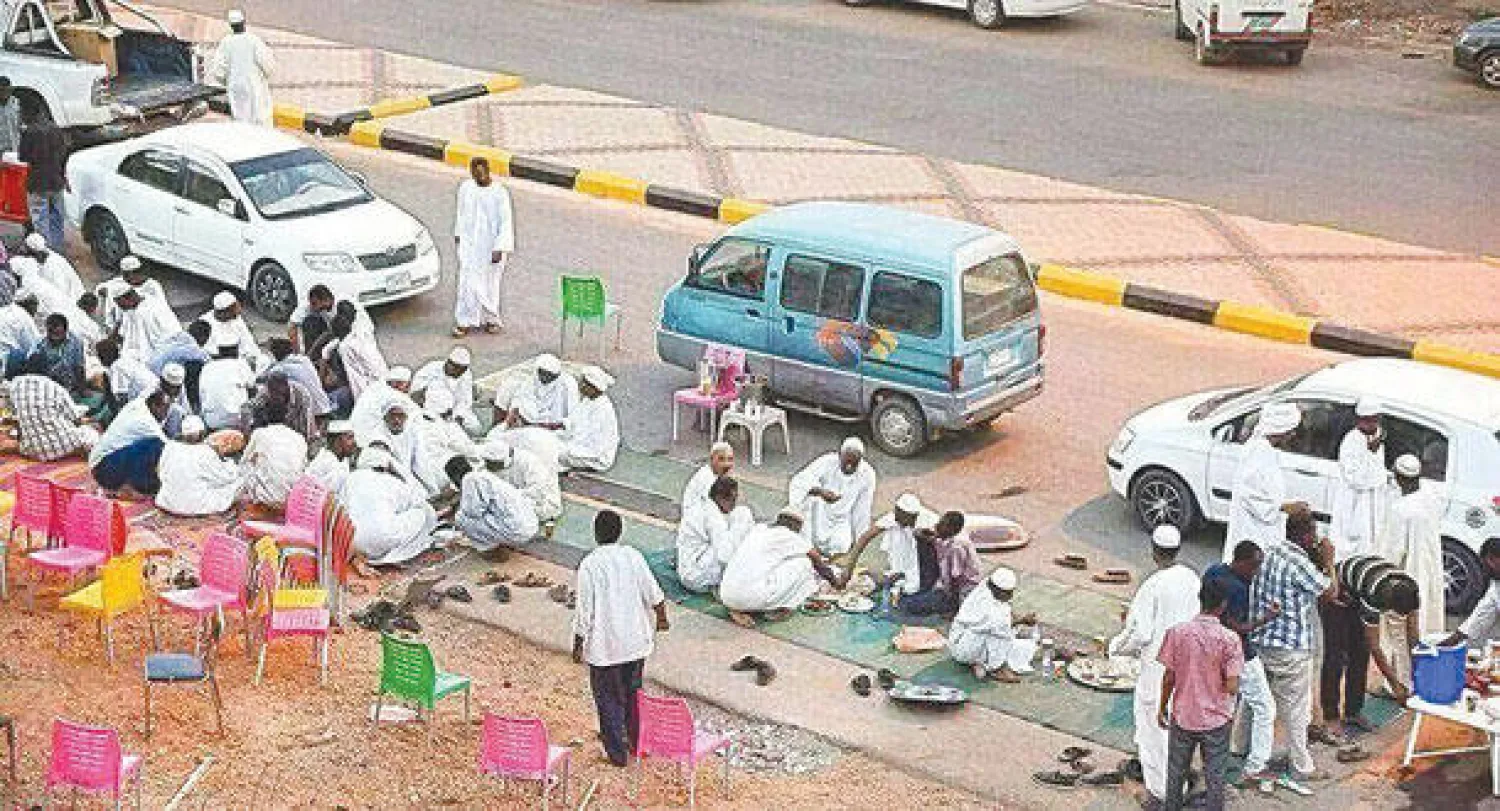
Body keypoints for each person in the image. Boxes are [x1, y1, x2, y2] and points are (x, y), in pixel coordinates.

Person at [1109, 525, 1201, 807]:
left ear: (1154, 551)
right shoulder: (1191, 578)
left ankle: (1160, 793)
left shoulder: (1153, 585)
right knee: (1179, 727)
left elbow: (1141, 633)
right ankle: (1179, 779)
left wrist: (1116, 646)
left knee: (1154, 729)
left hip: (1158, 668)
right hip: (1188, 663)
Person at [571, 509, 669, 767]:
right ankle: (636, 742)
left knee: (608, 699)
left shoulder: (590, 565)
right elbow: (654, 593)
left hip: (604, 648)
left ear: (596, 534)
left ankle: (616, 753)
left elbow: (584, 611)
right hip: (635, 643)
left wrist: (578, 643)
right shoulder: (633, 556)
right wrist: (662, 618)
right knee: (633, 694)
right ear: (620, 532)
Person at [1249, 504, 1335, 784]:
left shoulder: (1269, 552)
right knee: (1297, 710)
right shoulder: (1300, 564)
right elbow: (1331, 592)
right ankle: (1302, 766)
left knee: (1254, 701)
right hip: (1291, 648)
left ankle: (1240, 749)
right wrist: (1329, 560)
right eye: (1314, 533)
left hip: (1261, 641)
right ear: (1306, 536)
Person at [1158, 580, 1244, 811]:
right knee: (1215, 776)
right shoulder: (1230, 640)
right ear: (1223, 605)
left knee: (1176, 772)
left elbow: (1169, 677)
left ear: (1200, 599)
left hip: (1183, 715)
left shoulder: (1177, 633)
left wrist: (1162, 706)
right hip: (1216, 719)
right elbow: (1232, 686)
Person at [1203, 541, 1278, 786]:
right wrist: (1266, 618)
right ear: (1241, 562)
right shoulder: (1237, 588)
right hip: (1239, 654)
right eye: (1254, 566)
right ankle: (1257, 765)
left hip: (1212, 650)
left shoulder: (1214, 571)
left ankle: (1218, 757)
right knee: (1265, 707)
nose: (1256, 572)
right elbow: (1237, 627)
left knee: (1223, 706)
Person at [1322, 552, 1420, 735]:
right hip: (1337, 592)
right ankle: (1331, 716)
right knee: (1336, 657)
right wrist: (1395, 685)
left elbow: (1413, 634)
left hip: (1359, 589)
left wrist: (1417, 673)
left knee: (1360, 654)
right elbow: (1375, 645)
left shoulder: (1411, 589)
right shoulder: (1377, 595)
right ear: (1388, 605)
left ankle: (1353, 712)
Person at [719, 509, 839, 626]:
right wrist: (835, 582)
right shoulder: (788, 535)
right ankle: (785, 606)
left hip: (726, 595)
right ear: (796, 526)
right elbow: (816, 560)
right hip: (749, 597)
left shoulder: (758, 530)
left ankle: (736, 608)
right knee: (805, 563)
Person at [1224, 402, 1302, 562]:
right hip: (1253, 531)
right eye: (1290, 431)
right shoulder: (1258, 453)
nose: (1293, 435)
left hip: (1262, 528)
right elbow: (1251, 497)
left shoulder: (1265, 450)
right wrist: (1285, 507)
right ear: (1280, 431)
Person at [1379, 454, 1445, 639]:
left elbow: (1392, 552)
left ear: (1399, 478)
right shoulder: (1431, 497)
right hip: (1429, 564)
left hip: (1409, 570)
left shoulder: (1400, 509)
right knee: (1428, 607)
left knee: (1405, 622)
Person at [342, 446, 438, 566]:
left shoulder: (350, 480)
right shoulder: (389, 480)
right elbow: (418, 501)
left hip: (356, 544)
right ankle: (404, 553)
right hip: (383, 541)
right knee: (422, 512)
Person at [452, 156, 513, 335]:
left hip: (491, 247)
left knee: (490, 284)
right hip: (470, 245)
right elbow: (461, 213)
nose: (479, 176)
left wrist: (500, 247)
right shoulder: (466, 188)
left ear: (487, 171)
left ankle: (491, 319)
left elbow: (506, 222)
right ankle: (464, 321)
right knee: (467, 283)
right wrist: (458, 234)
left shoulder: (500, 193)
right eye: (475, 173)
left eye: (481, 173)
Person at [838, 492, 937, 601]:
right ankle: (899, 575)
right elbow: (865, 538)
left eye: (900, 517)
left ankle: (915, 583)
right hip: (904, 563)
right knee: (896, 531)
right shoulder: (894, 517)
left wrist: (927, 538)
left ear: (913, 516)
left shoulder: (930, 521)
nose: (896, 519)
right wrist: (848, 569)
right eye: (896, 514)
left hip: (925, 563)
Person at [787, 436, 877, 556]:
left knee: (842, 545)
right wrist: (820, 492)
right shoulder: (827, 461)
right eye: (846, 462)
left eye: (853, 464)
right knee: (805, 537)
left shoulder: (867, 474)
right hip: (818, 512)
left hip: (841, 519)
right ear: (840, 456)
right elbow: (799, 482)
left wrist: (859, 541)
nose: (849, 467)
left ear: (860, 460)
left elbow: (862, 509)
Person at [948, 567, 1039, 683]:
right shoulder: (984, 602)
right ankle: (996, 669)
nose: (1011, 595)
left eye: (1011, 592)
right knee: (1000, 634)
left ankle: (980, 663)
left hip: (975, 642)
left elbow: (1007, 611)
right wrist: (1022, 621)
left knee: (1021, 648)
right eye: (1008, 593)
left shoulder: (991, 591)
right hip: (963, 647)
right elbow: (1000, 626)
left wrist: (1020, 620)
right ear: (995, 589)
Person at [1329, 398, 1390, 562]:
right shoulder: (1351, 442)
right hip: (1354, 503)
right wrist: (1370, 453)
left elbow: (1378, 470)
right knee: (1350, 546)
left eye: (1375, 420)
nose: (1373, 424)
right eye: (1368, 420)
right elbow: (1355, 478)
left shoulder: (1376, 436)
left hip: (1374, 501)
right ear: (1360, 420)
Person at [675, 475, 754, 593]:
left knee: (738, 517)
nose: (734, 504)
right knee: (743, 514)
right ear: (720, 498)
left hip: (688, 571)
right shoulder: (714, 517)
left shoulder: (702, 506)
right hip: (698, 577)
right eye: (732, 500)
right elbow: (724, 556)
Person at [448, 451, 538, 552]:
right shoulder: (483, 475)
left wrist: (457, 507)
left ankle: (487, 546)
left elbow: (473, 512)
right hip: (531, 525)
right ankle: (494, 539)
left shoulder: (469, 479)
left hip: (518, 532)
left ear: (455, 476)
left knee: (461, 518)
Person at [155, 415, 242, 516]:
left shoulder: (170, 447)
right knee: (239, 482)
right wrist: (229, 462)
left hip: (167, 503)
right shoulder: (205, 451)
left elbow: (161, 474)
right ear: (202, 433)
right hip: (195, 506)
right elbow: (226, 478)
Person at [89, 390, 169, 495]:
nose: (166, 414)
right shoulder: (146, 421)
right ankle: (138, 487)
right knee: (155, 445)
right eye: (164, 409)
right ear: (154, 405)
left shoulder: (137, 404)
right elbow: (169, 449)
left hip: (99, 465)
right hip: (104, 469)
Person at [903, 511, 981, 618]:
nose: (937, 525)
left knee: (909, 605)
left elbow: (956, 580)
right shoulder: (947, 538)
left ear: (952, 529)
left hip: (960, 591)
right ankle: (928, 593)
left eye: (942, 524)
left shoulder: (957, 547)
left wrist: (953, 607)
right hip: (945, 585)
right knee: (908, 601)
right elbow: (923, 536)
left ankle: (950, 607)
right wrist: (924, 534)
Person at [10, 373, 97, 461]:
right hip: (60, 446)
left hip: (30, 451)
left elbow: (15, 419)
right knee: (90, 432)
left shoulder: (14, 386)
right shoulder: (57, 388)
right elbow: (75, 417)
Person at [212, 9, 275, 126]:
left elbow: (218, 71)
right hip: (254, 85)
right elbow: (267, 64)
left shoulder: (226, 42)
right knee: (260, 118)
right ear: (244, 22)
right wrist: (265, 76)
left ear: (231, 25)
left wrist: (227, 82)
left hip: (236, 88)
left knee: (240, 119)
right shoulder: (254, 40)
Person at [17, 112, 68, 251]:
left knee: (40, 220)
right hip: (56, 180)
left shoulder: (29, 132)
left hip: (37, 182)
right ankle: (58, 250)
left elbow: (22, 157)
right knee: (57, 218)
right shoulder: (56, 129)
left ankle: (45, 251)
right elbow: (64, 152)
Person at [558, 365, 619, 471]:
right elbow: (574, 421)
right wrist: (559, 426)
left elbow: (593, 445)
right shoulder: (589, 400)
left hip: (596, 457)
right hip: (582, 445)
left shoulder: (603, 409)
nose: (580, 385)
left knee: (553, 453)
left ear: (594, 388)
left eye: (584, 384)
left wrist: (567, 446)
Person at [1441, 538, 1500, 649]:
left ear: (1493, 559)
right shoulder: (1496, 587)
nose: (1485, 570)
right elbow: (1481, 615)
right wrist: (1448, 642)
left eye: (1486, 564)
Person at [237, 423, 308, 509]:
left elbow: (244, 462)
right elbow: (304, 466)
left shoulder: (260, 433)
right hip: (292, 497)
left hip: (266, 499)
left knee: (249, 465)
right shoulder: (299, 437)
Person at [412, 346, 479, 435]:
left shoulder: (466, 375)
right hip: (429, 411)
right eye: (457, 369)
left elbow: (465, 400)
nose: (459, 373)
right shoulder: (430, 369)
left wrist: (456, 415)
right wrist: (427, 412)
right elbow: (415, 394)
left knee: (474, 426)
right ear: (449, 363)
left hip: (452, 413)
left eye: (463, 370)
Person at [263, 337, 332, 419]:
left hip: (312, 413)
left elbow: (262, 378)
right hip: (325, 405)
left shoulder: (281, 368)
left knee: (272, 387)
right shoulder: (305, 360)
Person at [242, 370, 319, 442]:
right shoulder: (266, 393)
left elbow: (306, 429)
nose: (273, 394)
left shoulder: (302, 395)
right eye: (271, 390)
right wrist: (247, 427)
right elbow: (248, 407)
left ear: (286, 386)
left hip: (296, 428)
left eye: (276, 391)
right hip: (276, 428)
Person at [111, 285, 181, 363]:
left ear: (129, 297)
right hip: (136, 358)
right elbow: (125, 337)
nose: (121, 308)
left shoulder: (155, 307)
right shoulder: (129, 311)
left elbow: (172, 334)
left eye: (121, 305)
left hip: (158, 357)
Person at [197, 339, 256, 430]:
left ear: (219, 351)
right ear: (236, 350)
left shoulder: (207, 367)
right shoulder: (240, 364)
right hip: (236, 421)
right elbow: (252, 387)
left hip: (211, 421)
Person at [23, 312, 85, 395]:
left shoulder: (76, 342)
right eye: (50, 331)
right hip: (46, 381)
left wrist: (82, 389)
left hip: (68, 381)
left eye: (57, 331)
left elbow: (79, 366)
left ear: (65, 329)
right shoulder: (40, 342)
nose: (54, 335)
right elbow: (30, 364)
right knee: (35, 358)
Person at [98, 257, 166, 330]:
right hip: (122, 323)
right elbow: (102, 287)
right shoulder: (119, 282)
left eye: (127, 274)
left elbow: (161, 306)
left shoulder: (152, 285)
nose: (126, 277)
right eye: (124, 274)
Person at [200, 292, 261, 370]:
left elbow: (248, 340)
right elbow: (206, 353)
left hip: (239, 360)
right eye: (233, 314)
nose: (236, 316)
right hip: (216, 365)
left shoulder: (236, 319)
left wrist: (252, 356)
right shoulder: (204, 323)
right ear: (222, 313)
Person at [350, 366, 416, 438]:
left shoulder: (380, 388)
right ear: (395, 383)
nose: (406, 389)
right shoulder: (384, 393)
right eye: (404, 385)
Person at [96, 337, 158, 413]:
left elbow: (122, 397)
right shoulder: (124, 359)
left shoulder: (117, 367)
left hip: (149, 397)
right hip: (154, 389)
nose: (99, 359)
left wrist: (122, 415)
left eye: (99, 356)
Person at [16, 232, 82, 301]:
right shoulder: (41, 258)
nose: (23, 250)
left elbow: (61, 292)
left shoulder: (53, 265)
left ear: (34, 251)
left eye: (27, 248)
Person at [305, 419, 357, 492]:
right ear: (337, 441)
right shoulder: (324, 462)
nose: (354, 442)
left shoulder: (343, 461)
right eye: (349, 438)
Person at [683, 441, 734, 515]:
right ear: (711, 459)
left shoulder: (717, 475)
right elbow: (715, 507)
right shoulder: (706, 477)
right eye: (721, 459)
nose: (726, 464)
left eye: (730, 459)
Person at [288, 284, 336, 353]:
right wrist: (296, 351)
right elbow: (292, 326)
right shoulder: (307, 306)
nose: (312, 307)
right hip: (320, 335)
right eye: (312, 303)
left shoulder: (339, 307)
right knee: (310, 321)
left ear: (327, 300)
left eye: (314, 304)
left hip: (335, 338)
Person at [0, 291, 39, 372]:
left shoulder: (2, 310)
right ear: (30, 305)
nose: (35, 312)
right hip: (5, 364)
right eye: (35, 306)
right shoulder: (24, 316)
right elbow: (35, 347)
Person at [0, 77, 19, 154]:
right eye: (1, 90)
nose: (4, 93)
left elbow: (21, 123)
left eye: (7, 90)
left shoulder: (16, 103)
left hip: (14, 147)